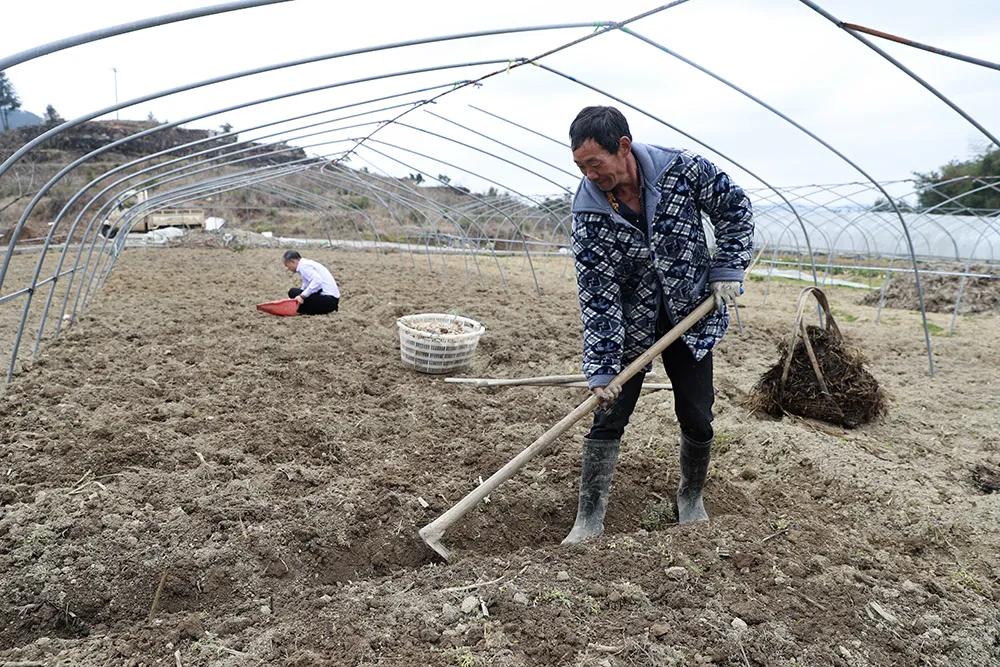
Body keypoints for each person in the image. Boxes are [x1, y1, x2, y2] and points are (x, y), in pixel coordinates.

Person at [563, 106, 753, 545]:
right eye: (580, 167)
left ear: (624, 147)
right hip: (632, 324)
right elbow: (597, 292)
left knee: (696, 413)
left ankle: (691, 496)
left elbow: (735, 209)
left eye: (596, 163)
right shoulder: (589, 212)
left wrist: (727, 267)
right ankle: (589, 518)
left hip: (691, 313)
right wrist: (602, 368)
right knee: (608, 414)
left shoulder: (681, 170)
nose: (590, 174)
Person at [282, 250, 341, 315]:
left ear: (292, 261)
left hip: (328, 301)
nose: (288, 268)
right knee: (295, 294)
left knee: (293, 292)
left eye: (287, 265)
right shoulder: (305, 264)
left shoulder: (304, 267)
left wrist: (302, 296)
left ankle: (302, 309)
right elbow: (306, 285)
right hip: (332, 301)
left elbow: (317, 281)